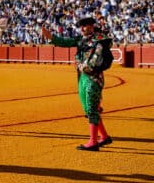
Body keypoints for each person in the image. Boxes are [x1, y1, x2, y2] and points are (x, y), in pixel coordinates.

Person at [43, 17, 113, 151]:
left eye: (85, 26)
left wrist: (82, 66)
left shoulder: (99, 40)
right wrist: (50, 36)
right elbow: (65, 42)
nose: (82, 29)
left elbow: (95, 61)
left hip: (93, 78)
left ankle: (93, 142)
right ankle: (104, 137)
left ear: (92, 26)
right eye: (81, 26)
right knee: (88, 109)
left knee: (92, 109)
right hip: (82, 78)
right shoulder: (81, 39)